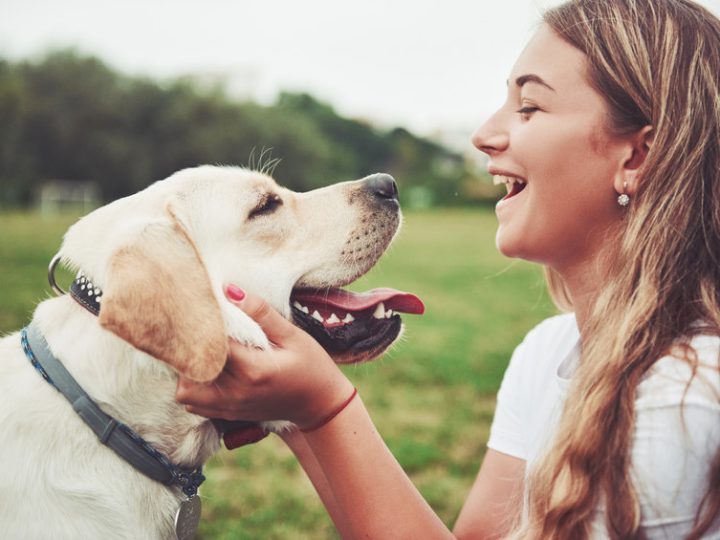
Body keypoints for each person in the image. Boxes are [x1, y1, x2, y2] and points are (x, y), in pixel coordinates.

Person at [175, 0, 720, 537]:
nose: (484, 133)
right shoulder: (549, 354)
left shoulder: (683, 400)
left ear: (638, 157)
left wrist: (326, 409)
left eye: (529, 106)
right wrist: (293, 410)